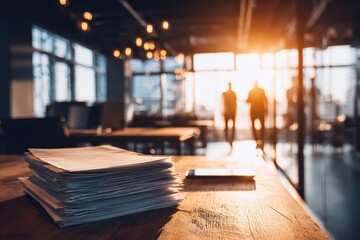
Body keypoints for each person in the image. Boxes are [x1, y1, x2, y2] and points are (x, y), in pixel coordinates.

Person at [246, 81, 268, 149]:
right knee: (262, 127)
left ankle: (257, 141)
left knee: (254, 127)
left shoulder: (251, 91)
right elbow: (265, 100)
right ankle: (260, 140)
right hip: (260, 111)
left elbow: (248, 101)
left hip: (254, 111)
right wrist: (266, 110)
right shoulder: (261, 90)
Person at [222, 82, 237, 147]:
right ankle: (229, 139)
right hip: (230, 111)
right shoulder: (229, 93)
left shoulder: (226, 93)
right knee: (229, 127)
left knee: (229, 127)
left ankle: (229, 139)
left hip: (229, 112)